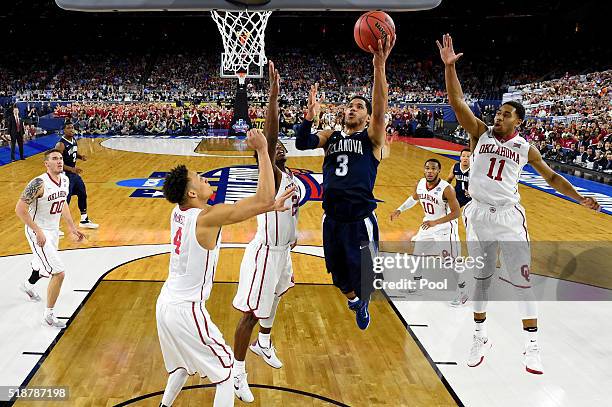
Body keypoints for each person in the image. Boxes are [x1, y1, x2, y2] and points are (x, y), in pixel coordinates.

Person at [438, 33, 600, 374]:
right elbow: (456, 103)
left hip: (509, 218)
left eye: (506, 114)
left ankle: (532, 346)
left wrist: (580, 198)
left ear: (519, 121)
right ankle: (479, 337)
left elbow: (554, 179)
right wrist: (450, 68)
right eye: (498, 113)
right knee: (481, 279)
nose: (498, 117)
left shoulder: (527, 149)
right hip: (477, 215)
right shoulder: (479, 132)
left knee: (521, 279)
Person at [156, 129, 294, 407]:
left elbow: (259, 205)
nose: (206, 179)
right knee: (227, 372)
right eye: (199, 178)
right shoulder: (206, 217)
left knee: (182, 367)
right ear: (192, 192)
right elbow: (263, 197)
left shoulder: (178, 211)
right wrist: (263, 151)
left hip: (165, 304)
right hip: (187, 309)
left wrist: (267, 207)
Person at [295, 35, 395, 330]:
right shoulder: (330, 136)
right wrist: (307, 117)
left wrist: (379, 67)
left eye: (358, 107)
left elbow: (380, 104)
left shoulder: (373, 139)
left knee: (366, 278)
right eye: (349, 106)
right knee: (339, 278)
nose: (352, 109)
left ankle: (363, 299)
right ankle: (355, 302)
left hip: (360, 218)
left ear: (368, 116)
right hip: (332, 218)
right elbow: (302, 143)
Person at [231, 62, 301, 403]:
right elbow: (271, 134)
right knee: (250, 314)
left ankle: (265, 342)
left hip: (284, 251)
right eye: (275, 149)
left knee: (274, 299)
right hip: (264, 252)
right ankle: (237, 372)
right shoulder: (271, 174)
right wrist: (274, 91)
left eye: (284, 148)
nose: (280, 148)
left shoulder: (293, 178)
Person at [15, 149, 85, 328]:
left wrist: (72, 227)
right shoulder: (38, 183)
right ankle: (49, 315)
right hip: (37, 231)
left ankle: (27, 286)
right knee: (58, 272)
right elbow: (20, 209)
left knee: (42, 267)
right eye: (55, 159)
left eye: (61, 158)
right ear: (46, 164)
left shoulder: (65, 180)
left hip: (53, 231)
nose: (59, 161)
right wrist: (37, 230)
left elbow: (63, 205)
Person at [390, 159, 466, 306]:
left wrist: (435, 222)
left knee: (449, 261)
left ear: (439, 171)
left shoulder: (447, 188)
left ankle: (462, 292)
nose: (430, 171)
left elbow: (457, 213)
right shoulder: (420, 184)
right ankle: (416, 284)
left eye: (433, 169)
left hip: (445, 227)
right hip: (428, 225)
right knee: (418, 254)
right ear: (424, 170)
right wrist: (399, 209)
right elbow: (414, 199)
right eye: (427, 168)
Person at [55, 122, 98, 229]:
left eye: (72, 128)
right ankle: (54, 226)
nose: (72, 130)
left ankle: (84, 219)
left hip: (73, 175)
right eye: (69, 128)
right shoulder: (60, 144)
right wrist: (72, 169)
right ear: (63, 130)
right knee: (65, 200)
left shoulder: (74, 140)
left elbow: (72, 153)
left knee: (82, 193)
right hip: (65, 175)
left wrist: (80, 156)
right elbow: (57, 163)